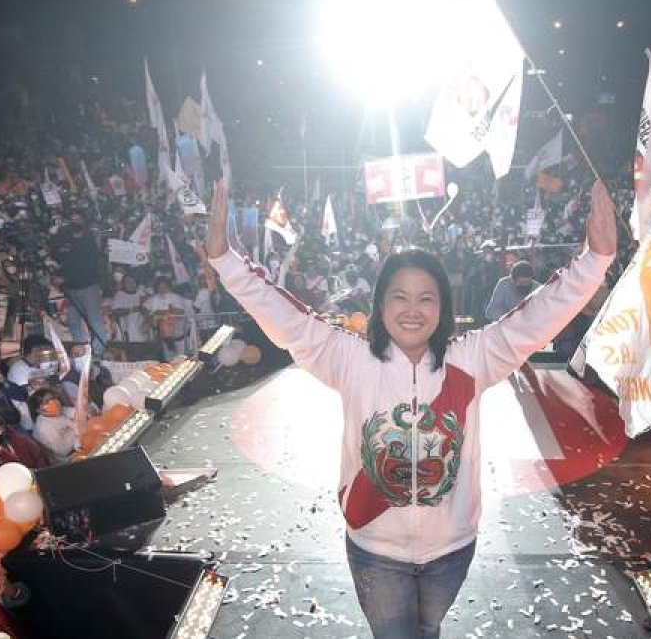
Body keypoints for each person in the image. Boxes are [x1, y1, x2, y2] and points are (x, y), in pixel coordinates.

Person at [205, 178, 616, 638]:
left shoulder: (474, 357)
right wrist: (224, 259)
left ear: (443, 306)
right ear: (380, 304)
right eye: (400, 296)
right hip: (376, 549)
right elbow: (285, 317)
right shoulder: (348, 357)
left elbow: (539, 316)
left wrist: (595, 260)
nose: (413, 309)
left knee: (429, 629)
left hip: (452, 548)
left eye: (426, 298)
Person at [49, 209, 108, 353]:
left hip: (88, 287)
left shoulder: (89, 240)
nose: (75, 222)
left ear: (83, 221)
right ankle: (81, 349)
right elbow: (60, 260)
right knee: (73, 321)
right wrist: (57, 275)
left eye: (78, 219)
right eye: (72, 219)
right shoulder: (64, 238)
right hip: (70, 288)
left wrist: (65, 277)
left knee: (94, 321)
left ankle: (99, 350)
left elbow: (87, 266)